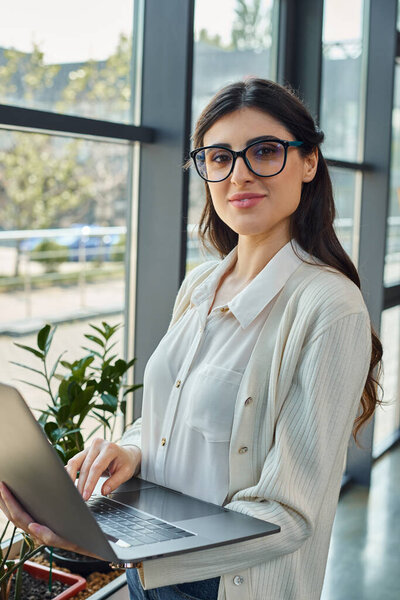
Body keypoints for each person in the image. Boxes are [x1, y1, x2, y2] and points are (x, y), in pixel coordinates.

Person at [0, 78, 383, 600]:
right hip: (151, 575)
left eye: (265, 151)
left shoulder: (329, 307)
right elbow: (169, 416)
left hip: (222, 584)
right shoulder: (202, 284)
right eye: (219, 157)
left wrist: (123, 547)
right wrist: (131, 451)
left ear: (309, 162)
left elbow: (290, 515)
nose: (239, 174)